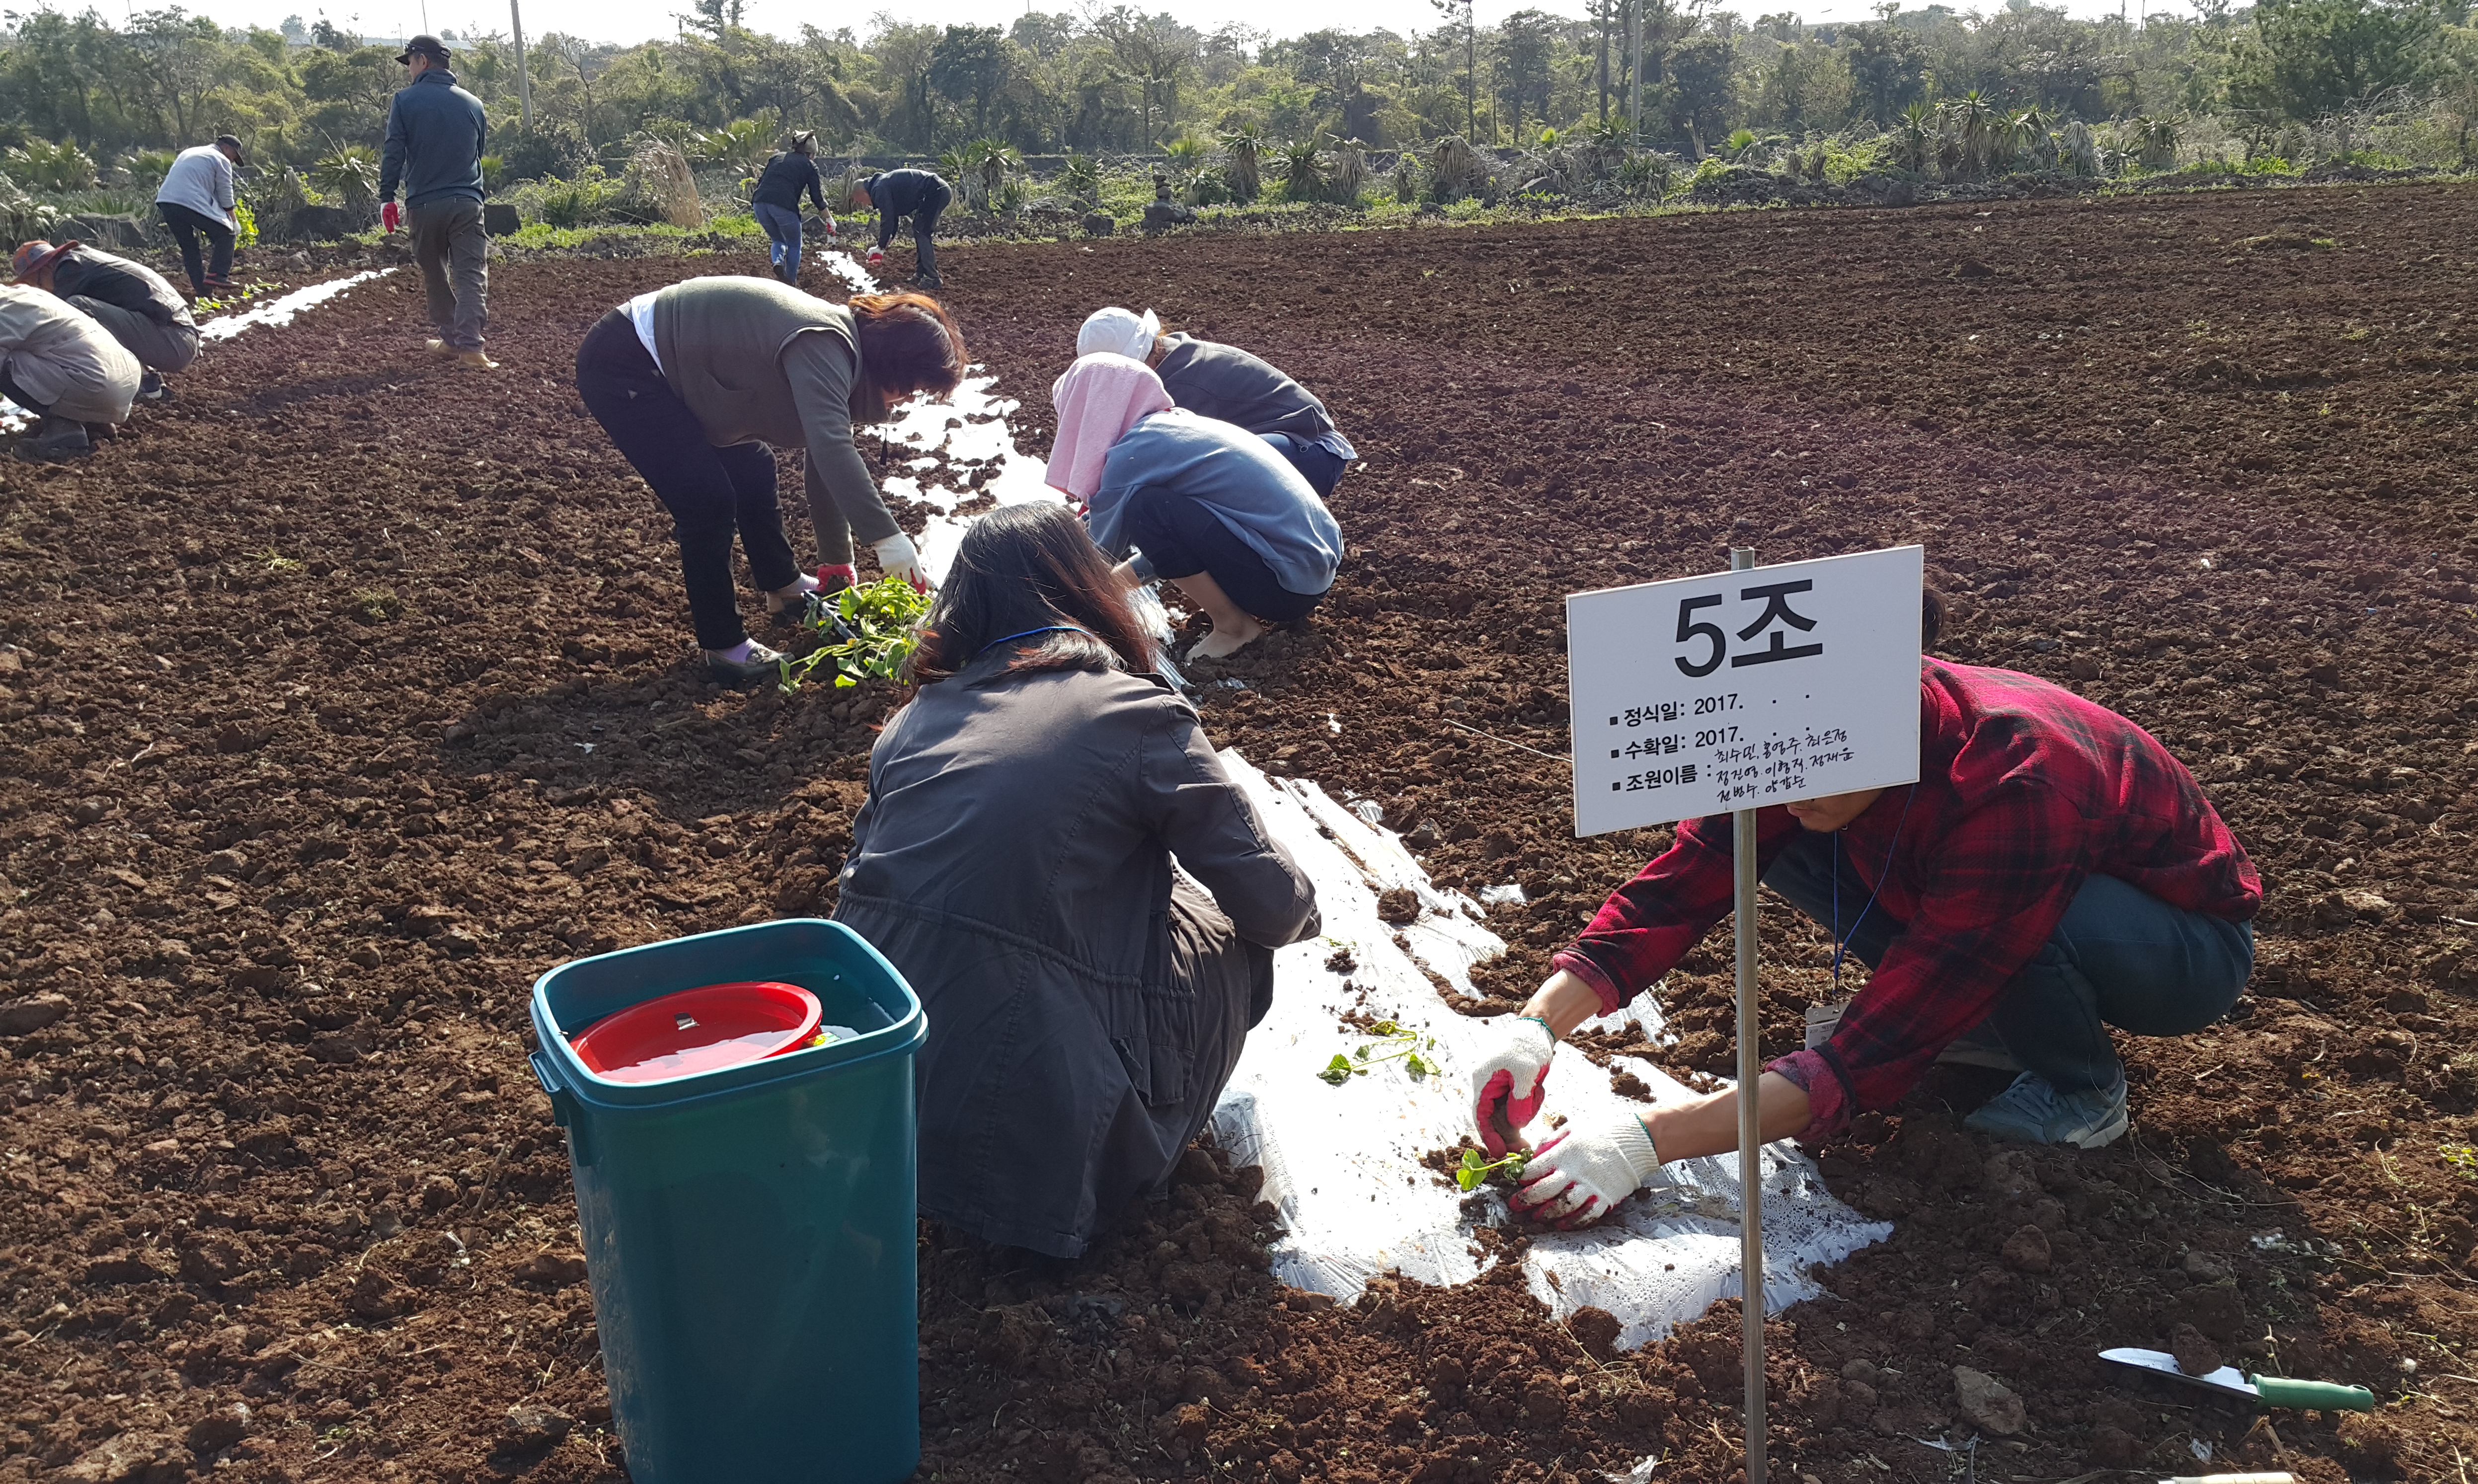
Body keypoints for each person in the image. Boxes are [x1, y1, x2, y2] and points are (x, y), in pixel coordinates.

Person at [1471, 592, 2260, 1229]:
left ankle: (2084, 1088)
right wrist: (1538, 1026)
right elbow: (1687, 881)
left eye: (1812, 771)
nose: (1789, 788)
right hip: (1985, 898)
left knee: (2022, 934)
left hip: (2181, 949)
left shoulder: (2015, 781)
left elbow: (1882, 1039)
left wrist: (1646, 1142)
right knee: (1778, 841)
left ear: (1883, 725)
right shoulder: (1806, 730)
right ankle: (1995, 1030)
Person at [830, 501, 1320, 1257]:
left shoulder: (913, 720)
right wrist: (1301, 911)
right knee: (1224, 928)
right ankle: (1125, 1155)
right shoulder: (1134, 712)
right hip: (1032, 1135)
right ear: (1086, 589)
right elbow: (1271, 903)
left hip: (867, 1099)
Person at [574, 277, 961, 683]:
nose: (907, 400)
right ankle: (725, 647)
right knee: (706, 503)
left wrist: (837, 562)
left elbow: (824, 456)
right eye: (913, 388)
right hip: (627, 360)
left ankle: (784, 587)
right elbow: (831, 447)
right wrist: (888, 539)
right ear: (894, 365)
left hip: (679, 371)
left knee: (754, 469)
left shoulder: (841, 354)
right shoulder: (823, 344)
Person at [1048, 353, 1343, 662]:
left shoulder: (1131, 453)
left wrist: (1053, 605)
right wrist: (1115, 586)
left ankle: (1234, 628)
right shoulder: (1175, 428)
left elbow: (1095, 557)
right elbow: (1181, 539)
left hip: (1283, 589)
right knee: (1154, 509)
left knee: (1145, 509)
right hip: (1310, 574)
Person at [1077, 307, 1359, 496]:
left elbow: (1160, 457)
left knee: (1194, 472)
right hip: (1287, 442)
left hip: (1314, 449)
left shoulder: (1182, 384)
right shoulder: (1171, 355)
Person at [378, 35, 492, 369]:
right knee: (471, 274)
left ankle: (452, 340)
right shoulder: (474, 104)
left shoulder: (404, 100)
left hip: (425, 204)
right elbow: (478, 153)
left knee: (436, 274)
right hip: (467, 202)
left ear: (423, 61)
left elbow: (394, 151)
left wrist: (387, 197)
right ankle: (472, 349)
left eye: (410, 63)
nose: (409, 70)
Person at [12, 240, 197, 403]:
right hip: (177, 333)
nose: (41, 290)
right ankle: (146, 378)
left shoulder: (69, 269)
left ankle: (146, 382)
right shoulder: (80, 261)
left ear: (46, 269)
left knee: (77, 307)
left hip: (174, 339)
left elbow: (50, 319)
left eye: (37, 283)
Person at [1, 282, 142, 462]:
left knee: (9, 362)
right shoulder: (24, 294)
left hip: (97, 384)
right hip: (123, 379)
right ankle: (93, 422)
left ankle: (63, 429)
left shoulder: (4, 311)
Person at [153, 134, 242, 301]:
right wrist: (234, 221)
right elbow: (225, 194)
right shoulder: (221, 160)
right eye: (234, 156)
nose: (233, 161)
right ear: (226, 148)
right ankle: (217, 275)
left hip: (166, 201)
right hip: (189, 201)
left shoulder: (191, 152)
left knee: (189, 247)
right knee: (227, 235)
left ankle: (202, 290)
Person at [751, 132, 834, 287]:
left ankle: (777, 262)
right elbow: (816, 197)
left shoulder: (776, 158)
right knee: (795, 245)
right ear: (812, 153)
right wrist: (829, 219)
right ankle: (790, 284)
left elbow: (761, 182)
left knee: (778, 240)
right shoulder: (809, 166)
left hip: (759, 204)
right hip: (784, 206)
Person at [847, 168, 952, 291]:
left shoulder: (879, 189)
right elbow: (893, 217)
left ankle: (933, 279)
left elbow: (887, 218)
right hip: (935, 190)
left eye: (862, 201)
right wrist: (885, 244)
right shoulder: (881, 185)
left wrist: (880, 246)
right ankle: (920, 275)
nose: (865, 205)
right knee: (919, 230)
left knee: (922, 232)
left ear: (864, 193)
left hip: (936, 191)